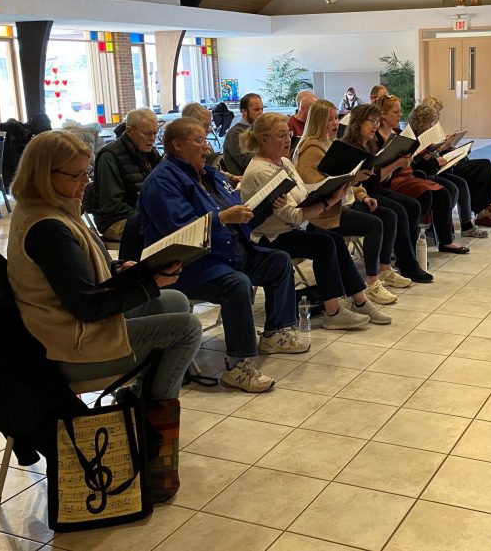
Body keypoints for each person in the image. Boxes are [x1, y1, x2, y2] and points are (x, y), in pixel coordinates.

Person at [6, 130, 199, 406]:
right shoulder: (48, 228)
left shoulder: (49, 208)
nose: (86, 183)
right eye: (77, 175)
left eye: (86, 173)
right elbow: (87, 306)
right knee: (187, 328)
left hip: (74, 327)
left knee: (173, 301)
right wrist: (149, 284)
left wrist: (117, 268)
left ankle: (136, 397)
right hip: (69, 347)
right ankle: (154, 418)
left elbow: (74, 270)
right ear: (44, 175)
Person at [139, 117, 310, 393]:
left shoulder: (211, 175)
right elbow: (180, 231)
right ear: (177, 145)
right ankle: (238, 365)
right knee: (236, 284)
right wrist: (222, 218)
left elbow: (242, 218)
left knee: (278, 261)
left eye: (206, 139)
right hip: (193, 264)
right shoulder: (162, 182)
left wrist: (266, 206)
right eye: (199, 141)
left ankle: (275, 333)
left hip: (232, 252)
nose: (207, 147)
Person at [239, 113, 393, 329]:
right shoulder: (260, 171)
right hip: (270, 236)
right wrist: (329, 201)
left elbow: (303, 193)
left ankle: (360, 301)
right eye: (281, 135)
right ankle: (333, 311)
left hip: (292, 228)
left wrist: (334, 186)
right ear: (263, 139)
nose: (288, 140)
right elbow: (293, 214)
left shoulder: (284, 161)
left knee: (335, 240)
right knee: (324, 245)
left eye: (289, 134)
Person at [295, 99, 416, 298]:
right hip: (323, 213)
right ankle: (372, 282)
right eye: (330, 120)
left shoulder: (329, 144)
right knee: (374, 224)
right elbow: (317, 188)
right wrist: (353, 179)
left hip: (341, 204)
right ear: (318, 121)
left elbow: (345, 178)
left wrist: (362, 194)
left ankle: (385, 270)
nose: (336, 123)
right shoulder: (311, 149)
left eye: (336, 118)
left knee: (389, 215)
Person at [342, 105, 434, 282]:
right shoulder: (349, 147)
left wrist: (396, 163)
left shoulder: (370, 144)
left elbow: (377, 179)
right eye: (372, 121)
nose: (375, 126)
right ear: (357, 122)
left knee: (413, 206)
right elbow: (364, 181)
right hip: (357, 195)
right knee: (397, 211)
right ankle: (407, 264)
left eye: (377, 122)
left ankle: (406, 255)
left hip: (373, 189)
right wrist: (394, 164)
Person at [374, 95, 469, 254]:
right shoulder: (376, 138)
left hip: (407, 175)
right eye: (396, 112)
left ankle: (446, 241)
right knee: (425, 194)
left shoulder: (398, 133)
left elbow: (409, 158)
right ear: (383, 114)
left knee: (443, 193)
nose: (400, 115)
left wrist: (414, 156)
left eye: (400, 111)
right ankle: (410, 245)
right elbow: (381, 168)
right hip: (392, 180)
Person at [410, 102, 491, 229]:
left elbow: (431, 153)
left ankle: (486, 209)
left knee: (472, 168)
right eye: (430, 122)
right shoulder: (417, 136)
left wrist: (445, 146)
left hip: (438, 164)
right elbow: (423, 160)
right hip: (436, 169)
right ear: (422, 122)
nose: (433, 124)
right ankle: (489, 206)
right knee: (481, 166)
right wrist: (442, 149)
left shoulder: (427, 132)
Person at [89, 107, 161, 241]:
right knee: (163, 230)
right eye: (146, 133)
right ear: (130, 131)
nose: (152, 138)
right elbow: (112, 205)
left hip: (140, 213)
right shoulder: (109, 156)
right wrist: (149, 214)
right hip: (115, 220)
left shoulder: (150, 153)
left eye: (154, 133)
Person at [183, 102, 242, 183]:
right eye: (204, 125)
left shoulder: (206, 144)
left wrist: (231, 177)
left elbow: (215, 170)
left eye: (209, 124)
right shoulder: (186, 152)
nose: (208, 129)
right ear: (190, 124)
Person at [222, 93, 264, 176]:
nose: (260, 113)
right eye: (256, 110)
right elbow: (246, 161)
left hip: (259, 174)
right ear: (244, 111)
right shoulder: (235, 133)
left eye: (262, 109)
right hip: (244, 178)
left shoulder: (258, 129)